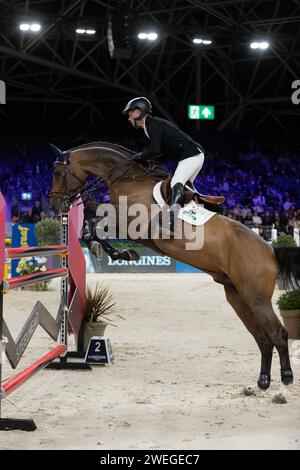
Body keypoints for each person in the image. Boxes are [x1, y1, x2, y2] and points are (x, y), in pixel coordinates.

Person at [122, 97, 205, 231]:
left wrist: (139, 156)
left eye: (130, 113)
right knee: (185, 190)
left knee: (175, 183)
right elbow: (164, 152)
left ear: (138, 112)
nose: (129, 118)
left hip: (191, 155)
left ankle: (171, 223)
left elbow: (155, 149)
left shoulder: (151, 123)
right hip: (192, 155)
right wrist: (150, 161)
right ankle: (198, 216)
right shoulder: (150, 126)